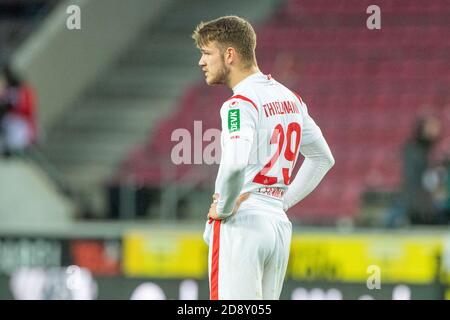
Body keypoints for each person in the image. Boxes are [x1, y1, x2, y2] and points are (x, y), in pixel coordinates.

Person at [191, 16, 335, 300]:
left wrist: (223, 208)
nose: (201, 62)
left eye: (207, 53)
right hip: (277, 226)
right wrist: (280, 202)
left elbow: (234, 164)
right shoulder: (291, 99)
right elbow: (322, 158)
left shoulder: (239, 103)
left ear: (229, 54)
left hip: (242, 224)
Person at [0, 64, 38, 157]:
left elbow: (26, 109)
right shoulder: (8, 90)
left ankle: (11, 150)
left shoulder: (22, 91)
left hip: (20, 124)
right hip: (10, 123)